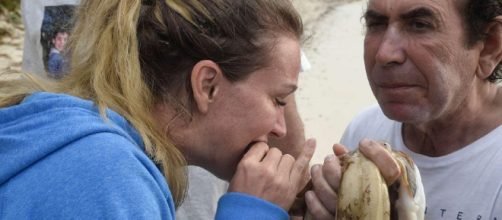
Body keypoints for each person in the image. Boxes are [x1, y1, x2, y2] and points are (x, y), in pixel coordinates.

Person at [0, 0, 318, 219]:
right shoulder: (110, 179)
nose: (281, 128)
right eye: (278, 100)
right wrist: (251, 212)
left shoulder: (84, 142)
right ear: (207, 85)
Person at [306, 0, 502, 219]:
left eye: (419, 25)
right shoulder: (365, 129)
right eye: (376, 24)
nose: (384, 54)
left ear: (490, 46)